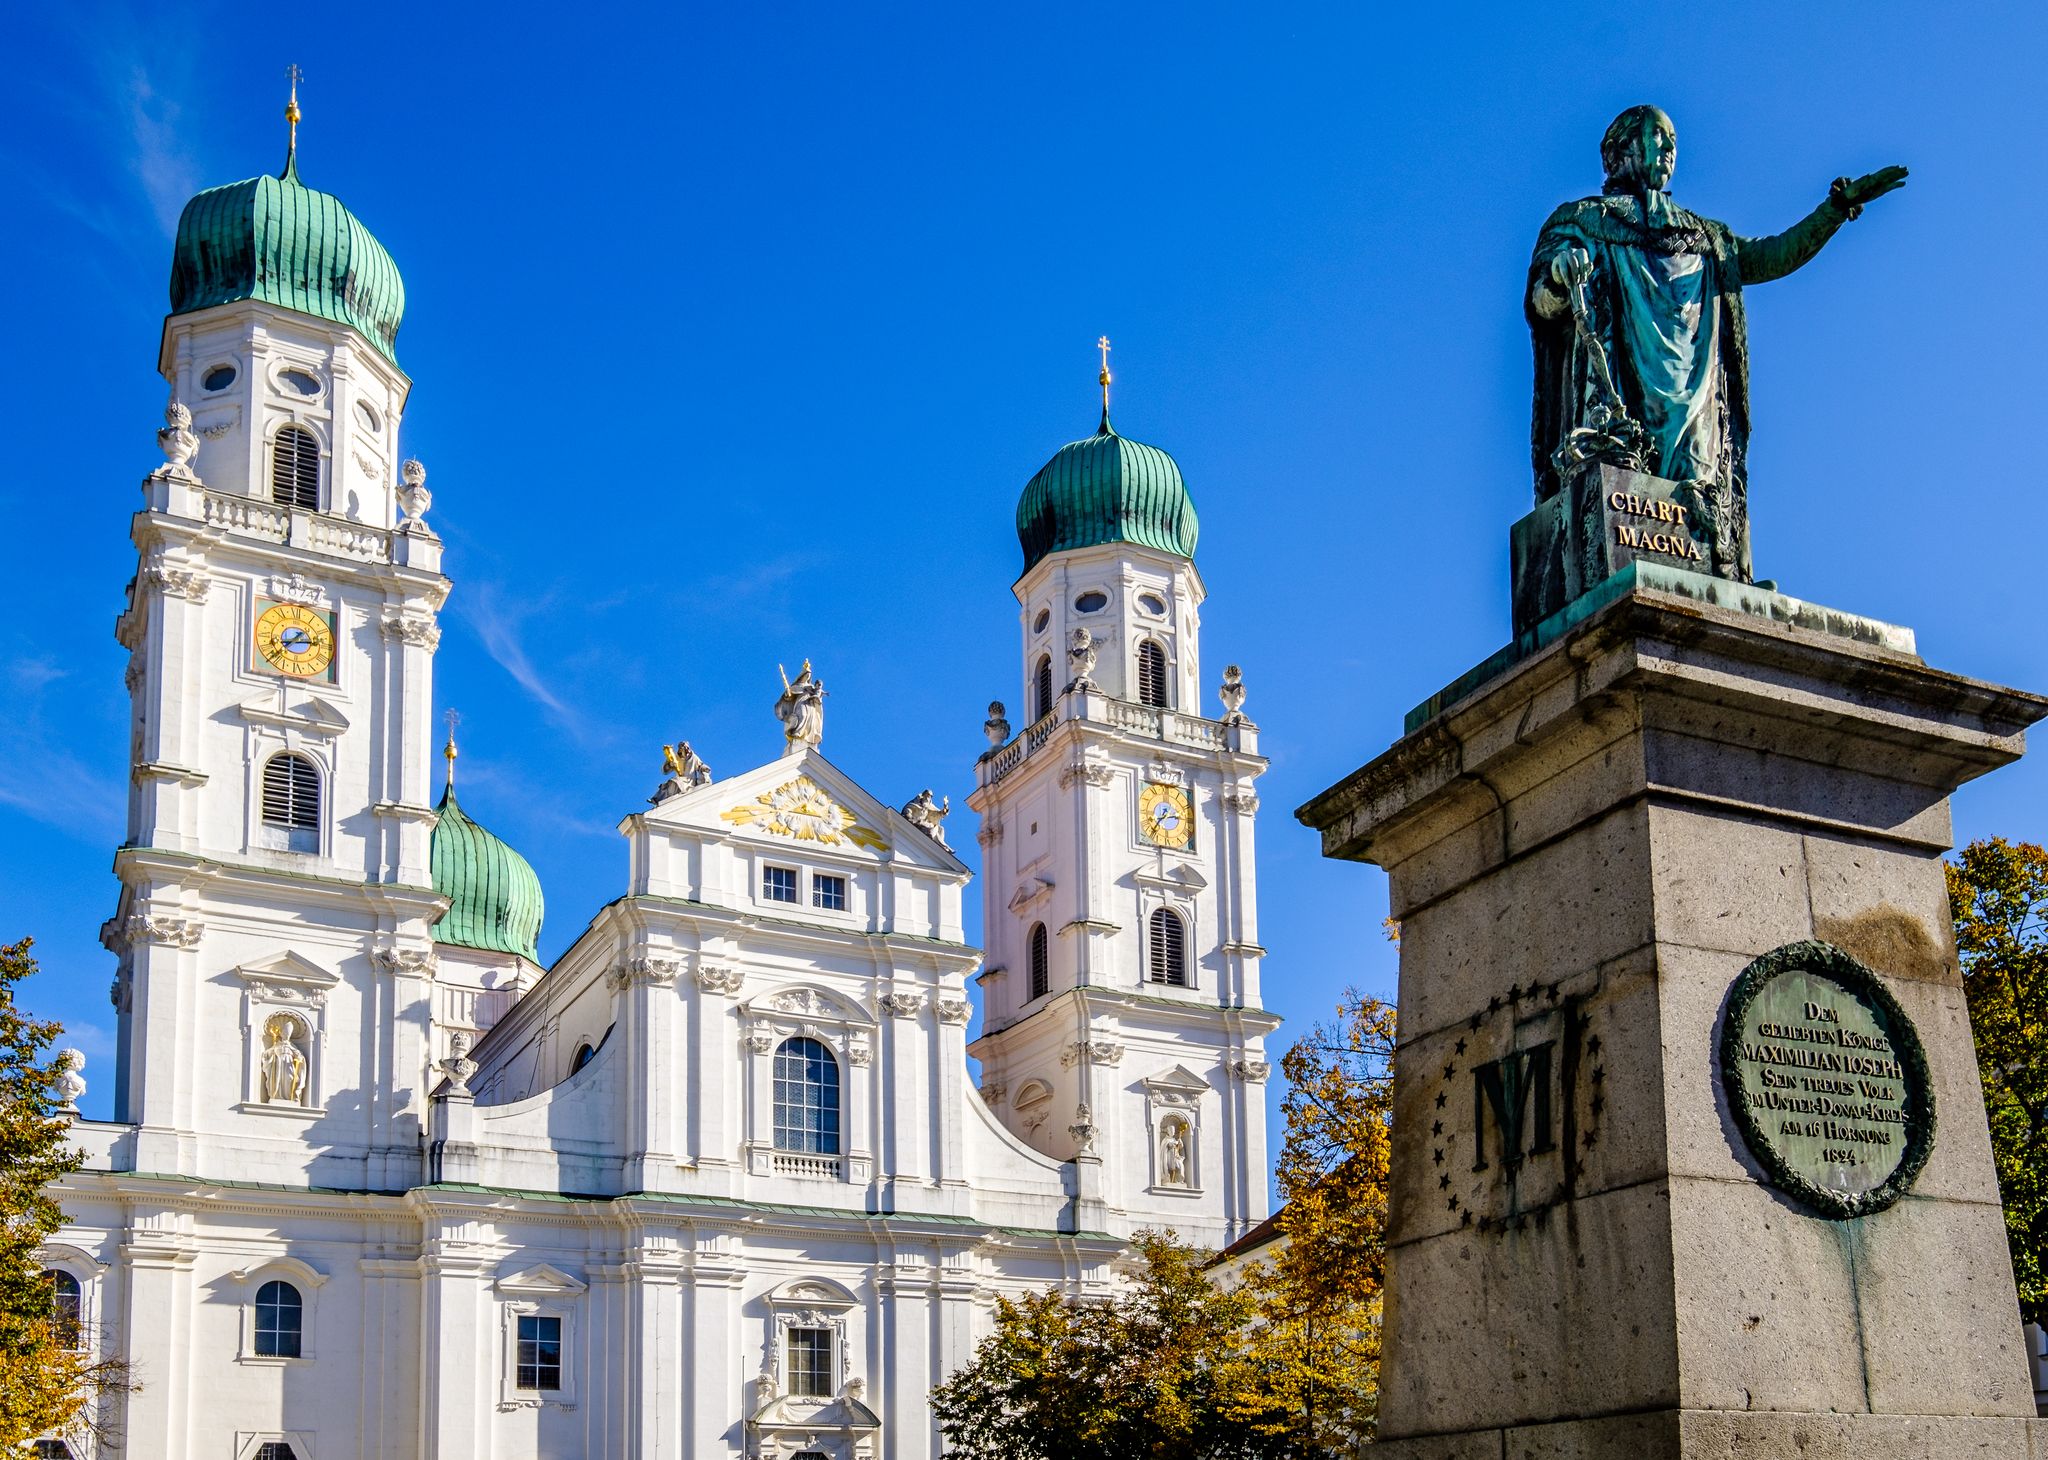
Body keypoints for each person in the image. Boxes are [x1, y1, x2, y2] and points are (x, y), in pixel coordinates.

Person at [1528, 105, 1904, 580]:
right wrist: (1561, 278)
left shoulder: (1706, 237)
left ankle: (1711, 568)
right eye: (1657, 137)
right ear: (1622, 150)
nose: (1668, 149)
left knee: (1701, 486)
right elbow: (1544, 302)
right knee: (1624, 478)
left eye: (1674, 142)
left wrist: (1834, 211)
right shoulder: (1581, 221)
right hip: (1621, 383)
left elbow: (1773, 256)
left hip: (1698, 391)